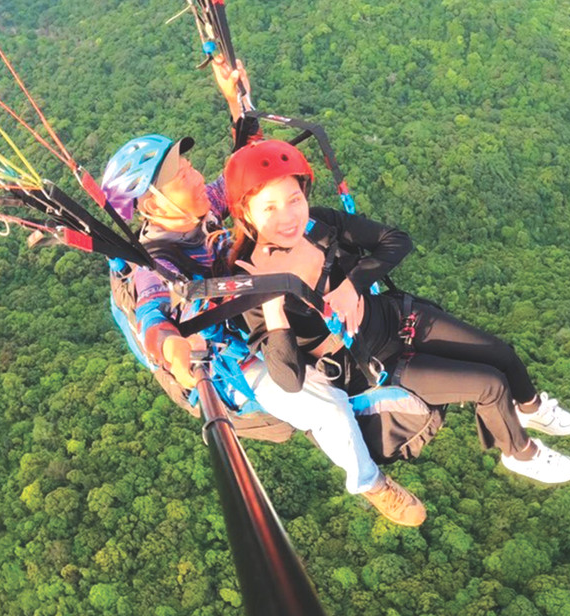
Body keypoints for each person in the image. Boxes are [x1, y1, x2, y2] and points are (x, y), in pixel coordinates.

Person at [99, 64, 427, 526]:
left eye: (188, 165)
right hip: (232, 350)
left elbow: (242, 175)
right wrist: (174, 353)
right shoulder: (154, 260)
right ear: (153, 204)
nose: (194, 177)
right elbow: (155, 312)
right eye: (181, 176)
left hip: (260, 299)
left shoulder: (202, 207)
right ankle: (371, 484)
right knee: (327, 408)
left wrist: (236, 101)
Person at [225, 138, 570, 485]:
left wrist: (352, 285)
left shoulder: (319, 225)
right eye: (269, 208)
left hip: (396, 318)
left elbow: (397, 240)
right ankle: (519, 452)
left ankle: (530, 409)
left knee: (502, 353)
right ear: (246, 214)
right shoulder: (248, 282)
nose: (288, 216)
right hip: (376, 363)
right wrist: (272, 300)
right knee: (490, 385)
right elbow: (288, 380)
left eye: (294, 199)